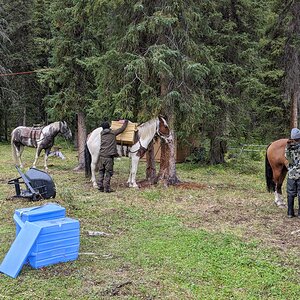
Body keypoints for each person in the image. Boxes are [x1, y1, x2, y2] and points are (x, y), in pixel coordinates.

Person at [98, 119, 128, 192]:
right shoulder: (113, 133)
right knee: (108, 173)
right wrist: (126, 122)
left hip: (101, 156)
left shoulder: (101, 133)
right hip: (108, 157)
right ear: (109, 127)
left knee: (101, 171)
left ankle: (100, 186)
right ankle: (107, 188)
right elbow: (122, 129)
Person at [285, 128, 300, 217]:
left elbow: (289, 160)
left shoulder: (288, 148)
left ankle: (290, 213)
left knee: (290, 193)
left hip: (291, 173)